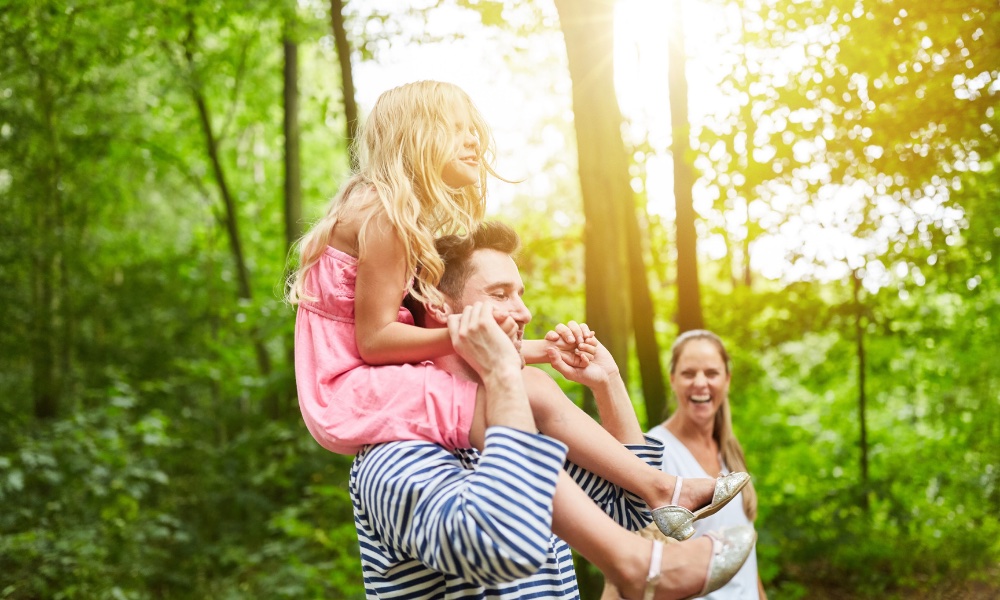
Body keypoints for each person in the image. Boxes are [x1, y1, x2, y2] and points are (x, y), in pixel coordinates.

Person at [286, 80, 747, 540]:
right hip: (347, 387)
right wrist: (473, 337)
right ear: (417, 135)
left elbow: (424, 342)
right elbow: (374, 341)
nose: (474, 140)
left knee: (534, 387)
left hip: (360, 379)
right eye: (457, 128)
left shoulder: (384, 210)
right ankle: (627, 556)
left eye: (473, 129)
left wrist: (545, 351)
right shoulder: (386, 217)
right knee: (515, 406)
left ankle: (661, 489)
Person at [351, 223, 757, 599]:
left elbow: (633, 510)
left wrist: (608, 382)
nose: (524, 313)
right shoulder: (394, 451)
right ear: (437, 304)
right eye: (499, 294)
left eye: (520, 295)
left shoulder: (532, 425)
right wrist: (506, 377)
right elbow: (496, 547)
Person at [644, 330, 767, 599]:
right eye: (689, 373)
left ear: (727, 380)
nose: (701, 383)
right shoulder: (655, 451)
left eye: (711, 373)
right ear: (673, 379)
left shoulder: (730, 451)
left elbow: (744, 549)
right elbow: (649, 561)